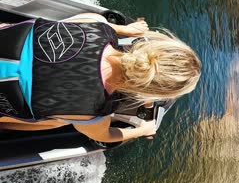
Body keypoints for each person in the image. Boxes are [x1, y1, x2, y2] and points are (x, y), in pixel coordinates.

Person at [0, 13, 201, 142]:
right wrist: (140, 131)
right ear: (152, 91)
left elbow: (65, 26)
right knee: (60, 120)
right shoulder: (95, 112)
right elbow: (106, 136)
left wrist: (126, 30)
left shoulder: (97, 24)